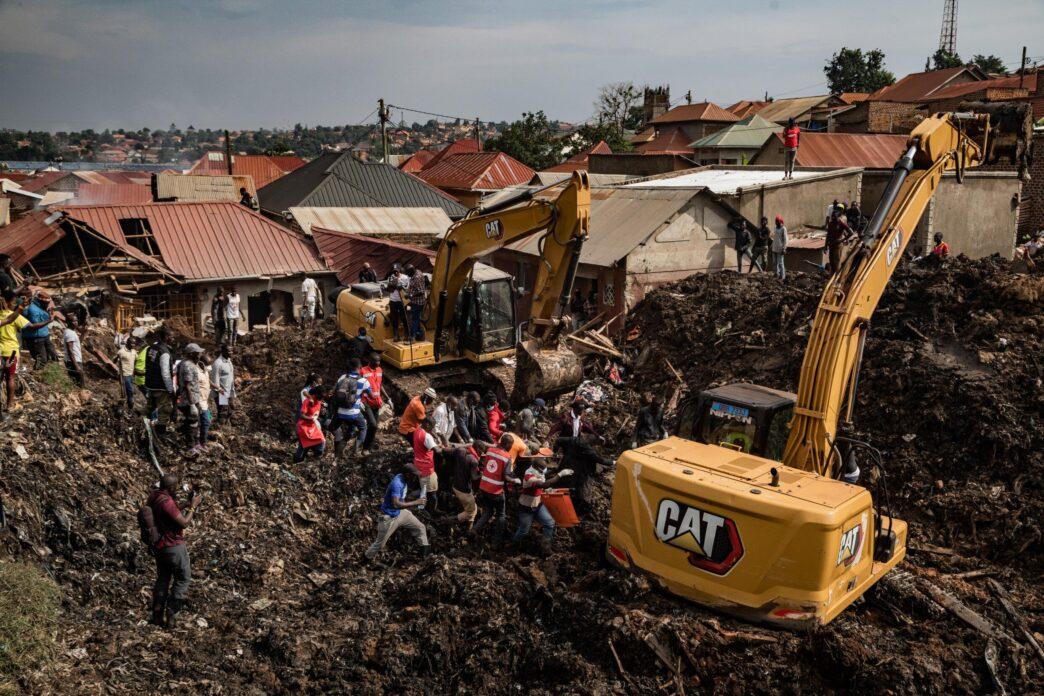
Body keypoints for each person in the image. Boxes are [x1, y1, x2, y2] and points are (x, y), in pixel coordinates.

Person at [146, 473, 202, 628]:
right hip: (174, 547)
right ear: (170, 487)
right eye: (176, 486)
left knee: (163, 579)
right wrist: (193, 507)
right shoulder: (168, 502)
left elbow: (168, 513)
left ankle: (157, 615)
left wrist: (184, 504)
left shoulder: (155, 497)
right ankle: (171, 617)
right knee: (183, 579)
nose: (178, 488)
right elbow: (184, 523)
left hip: (159, 547)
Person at [365, 466, 430, 563]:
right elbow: (396, 504)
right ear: (408, 475)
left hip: (401, 513)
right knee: (380, 544)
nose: (416, 478)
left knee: (420, 527)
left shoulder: (403, 478)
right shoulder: (397, 483)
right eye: (414, 476)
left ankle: (424, 557)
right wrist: (416, 502)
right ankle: (365, 560)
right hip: (389, 516)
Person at [510, 455, 572, 550]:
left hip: (538, 505)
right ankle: (512, 545)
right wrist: (560, 475)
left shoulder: (539, 472)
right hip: (526, 507)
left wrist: (546, 490)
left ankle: (546, 546)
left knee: (550, 523)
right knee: (524, 530)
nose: (544, 470)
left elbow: (542, 484)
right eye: (543, 468)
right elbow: (543, 484)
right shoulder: (529, 476)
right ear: (537, 468)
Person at [469, 433, 520, 544]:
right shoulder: (507, 457)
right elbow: (506, 477)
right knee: (501, 514)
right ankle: (496, 542)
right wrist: (515, 480)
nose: (511, 448)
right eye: (510, 445)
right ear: (506, 444)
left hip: (483, 487)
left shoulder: (490, 451)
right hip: (496, 490)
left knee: (488, 511)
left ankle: (474, 530)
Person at [555, 435, 611, 513]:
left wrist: (556, 451)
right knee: (572, 487)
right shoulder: (588, 449)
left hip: (565, 464)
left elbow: (559, 439)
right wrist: (613, 462)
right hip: (574, 469)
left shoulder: (574, 439)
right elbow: (600, 460)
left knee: (562, 482)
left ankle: (562, 501)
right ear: (592, 442)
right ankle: (568, 507)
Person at [331, 358, 371, 457]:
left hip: (340, 412)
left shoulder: (342, 377)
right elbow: (371, 395)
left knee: (350, 427)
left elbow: (335, 391)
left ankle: (339, 450)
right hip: (354, 412)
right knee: (363, 427)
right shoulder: (363, 381)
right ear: (360, 367)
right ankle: (355, 451)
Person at [0, 294, 32, 417]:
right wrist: (21, 307)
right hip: (11, 351)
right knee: (10, 378)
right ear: (7, 303)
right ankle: (9, 404)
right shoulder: (11, 314)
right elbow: (11, 320)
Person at [175, 344, 205, 453]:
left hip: (193, 398)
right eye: (198, 353)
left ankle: (196, 443)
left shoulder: (184, 363)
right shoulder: (188, 365)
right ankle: (191, 446)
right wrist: (192, 404)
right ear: (191, 354)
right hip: (189, 399)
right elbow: (187, 385)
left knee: (196, 422)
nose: (200, 355)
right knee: (192, 423)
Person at [448, 442, 483, 528]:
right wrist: (482, 474)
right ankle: (448, 521)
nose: (481, 454)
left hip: (455, 484)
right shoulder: (474, 461)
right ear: (478, 449)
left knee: (473, 509)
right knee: (470, 512)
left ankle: (469, 528)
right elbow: (474, 477)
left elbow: (447, 450)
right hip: (464, 489)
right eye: (481, 451)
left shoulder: (461, 451)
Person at [411, 417, 441, 510]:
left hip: (418, 464)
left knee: (424, 488)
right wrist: (440, 444)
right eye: (432, 427)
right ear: (427, 424)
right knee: (432, 493)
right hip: (427, 468)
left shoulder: (417, 430)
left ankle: (421, 507)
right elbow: (437, 450)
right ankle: (431, 511)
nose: (432, 429)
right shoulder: (426, 436)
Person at [21, 291, 56, 367]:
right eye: (46, 303)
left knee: (53, 356)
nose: (47, 304)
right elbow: (34, 325)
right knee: (41, 360)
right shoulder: (33, 309)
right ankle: (39, 375)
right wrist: (49, 320)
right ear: (40, 301)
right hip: (35, 338)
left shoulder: (41, 308)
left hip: (44, 336)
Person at [294, 384, 327, 462]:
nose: (322, 397)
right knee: (303, 446)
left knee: (321, 441)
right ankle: (296, 461)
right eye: (321, 395)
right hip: (303, 427)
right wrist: (310, 418)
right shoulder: (308, 401)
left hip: (312, 427)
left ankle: (312, 459)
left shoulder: (319, 402)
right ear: (317, 394)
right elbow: (301, 415)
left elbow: (316, 413)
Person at [358, 352, 383, 451]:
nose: (378, 363)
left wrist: (387, 398)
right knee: (372, 424)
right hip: (366, 402)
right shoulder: (362, 371)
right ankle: (365, 448)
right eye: (376, 361)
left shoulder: (380, 370)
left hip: (376, 403)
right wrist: (359, 401)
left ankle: (368, 446)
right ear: (370, 361)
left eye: (379, 361)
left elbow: (380, 385)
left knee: (374, 427)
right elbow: (357, 386)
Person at [210, 344, 235, 425]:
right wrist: (220, 393)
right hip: (222, 393)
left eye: (232, 350)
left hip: (230, 391)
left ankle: (226, 427)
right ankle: (220, 428)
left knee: (230, 410)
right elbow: (215, 381)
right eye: (229, 351)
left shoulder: (228, 360)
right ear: (223, 351)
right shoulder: (218, 364)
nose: (231, 352)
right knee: (222, 412)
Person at [826, 205, 853, 274]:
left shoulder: (841, 223)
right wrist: (825, 246)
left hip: (838, 245)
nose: (834, 219)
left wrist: (842, 240)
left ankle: (837, 277)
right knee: (831, 262)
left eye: (835, 218)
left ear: (838, 217)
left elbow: (851, 232)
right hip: (831, 245)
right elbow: (828, 235)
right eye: (833, 217)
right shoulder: (831, 223)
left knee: (837, 262)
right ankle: (831, 276)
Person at [385, 264, 409, 342]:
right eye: (394, 271)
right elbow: (389, 289)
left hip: (402, 301)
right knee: (394, 318)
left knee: (404, 317)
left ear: (400, 270)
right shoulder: (391, 277)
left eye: (397, 271)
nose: (395, 273)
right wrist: (392, 285)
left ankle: (406, 334)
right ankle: (396, 335)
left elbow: (407, 289)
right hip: (393, 300)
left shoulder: (405, 277)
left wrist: (400, 286)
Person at [117, 336, 139, 411]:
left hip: (131, 374)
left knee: (129, 390)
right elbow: (115, 360)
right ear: (127, 343)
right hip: (124, 375)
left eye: (134, 344)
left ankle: (128, 405)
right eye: (132, 343)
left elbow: (137, 359)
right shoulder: (121, 352)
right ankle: (129, 404)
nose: (133, 345)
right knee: (129, 390)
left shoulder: (134, 352)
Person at [63, 315, 85, 387]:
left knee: (77, 384)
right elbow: (70, 350)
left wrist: (83, 333)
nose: (76, 323)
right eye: (73, 321)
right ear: (68, 322)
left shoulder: (71, 332)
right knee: (79, 385)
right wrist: (76, 366)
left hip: (74, 361)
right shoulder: (70, 333)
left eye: (76, 321)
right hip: (73, 362)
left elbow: (78, 343)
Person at [407, 265, 428, 341]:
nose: (407, 275)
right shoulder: (418, 271)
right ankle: (419, 333)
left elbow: (421, 292)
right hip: (414, 301)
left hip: (418, 302)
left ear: (412, 271)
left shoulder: (417, 278)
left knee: (414, 319)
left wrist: (411, 295)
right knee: (416, 318)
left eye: (408, 273)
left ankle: (413, 337)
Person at [771, 214, 788, 280]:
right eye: (776, 221)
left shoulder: (783, 229)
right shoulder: (775, 228)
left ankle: (782, 276)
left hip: (780, 249)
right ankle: (776, 274)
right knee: (774, 262)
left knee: (780, 263)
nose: (776, 222)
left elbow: (785, 239)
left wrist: (784, 248)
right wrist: (772, 245)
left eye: (778, 221)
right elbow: (775, 238)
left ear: (781, 221)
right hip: (774, 247)